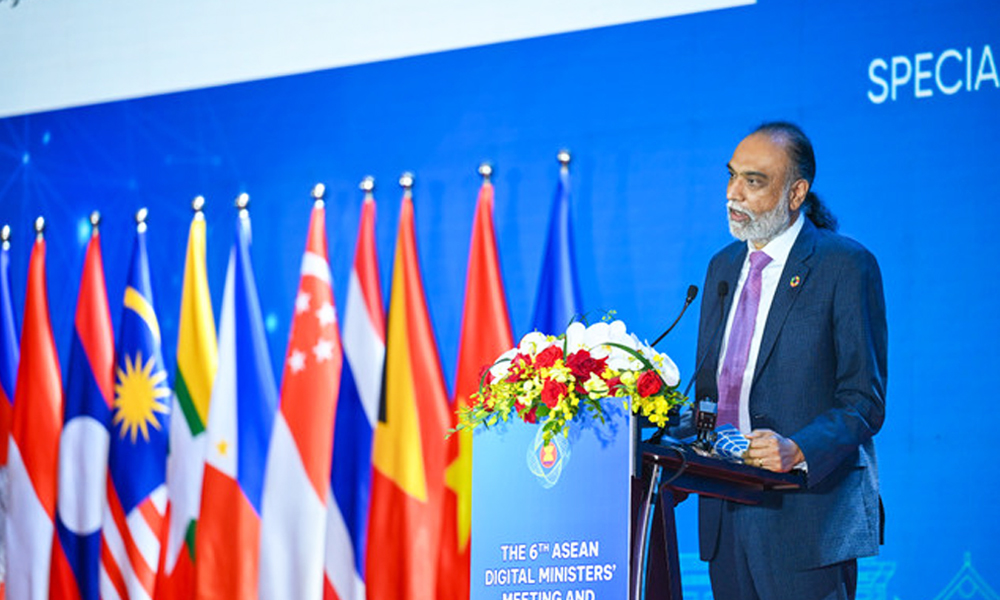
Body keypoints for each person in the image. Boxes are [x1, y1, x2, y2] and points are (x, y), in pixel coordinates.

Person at [693, 121, 887, 600]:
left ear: (796, 193)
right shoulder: (722, 267)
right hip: (725, 512)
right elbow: (713, 391)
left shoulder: (844, 265)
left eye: (753, 181)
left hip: (806, 521)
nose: (733, 193)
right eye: (732, 176)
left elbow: (863, 400)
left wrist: (798, 449)